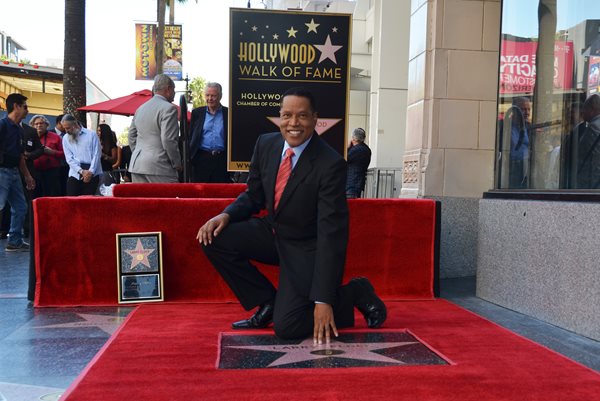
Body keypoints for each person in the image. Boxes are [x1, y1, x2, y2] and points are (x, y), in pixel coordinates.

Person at [197, 87, 386, 344]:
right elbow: (254, 195)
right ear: (280, 117)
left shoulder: (330, 163)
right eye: (287, 115)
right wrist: (226, 215)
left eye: (302, 116)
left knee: (289, 327)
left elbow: (332, 235)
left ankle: (353, 292)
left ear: (315, 119)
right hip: (272, 233)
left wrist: (324, 300)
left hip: (304, 247)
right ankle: (267, 302)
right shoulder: (266, 144)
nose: (293, 123)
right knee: (213, 237)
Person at [128, 74, 182, 183]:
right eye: (174, 90)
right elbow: (168, 140)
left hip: (137, 165)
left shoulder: (140, 109)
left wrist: (138, 152)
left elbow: (131, 136)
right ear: (168, 89)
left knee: (141, 200)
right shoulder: (169, 108)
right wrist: (177, 163)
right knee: (166, 199)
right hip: (160, 166)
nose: (174, 93)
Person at [0, 93, 36, 251]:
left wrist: (27, 176)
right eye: (25, 107)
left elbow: (21, 155)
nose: (27, 111)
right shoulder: (2, 125)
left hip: (14, 172)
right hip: (1, 171)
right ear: (16, 106)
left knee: (21, 206)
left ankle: (14, 241)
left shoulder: (20, 130)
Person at [189, 82, 231, 183]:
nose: (210, 99)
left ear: (220, 96)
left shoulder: (229, 113)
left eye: (213, 95)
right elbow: (191, 136)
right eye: (207, 95)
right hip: (201, 160)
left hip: (221, 161)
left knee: (220, 194)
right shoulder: (197, 113)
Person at [61, 114, 102, 196]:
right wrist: (81, 171)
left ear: (75, 124)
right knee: (71, 199)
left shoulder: (91, 134)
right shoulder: (65, 138)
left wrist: (90, 172)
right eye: (64, 128)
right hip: (75, 172)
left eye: (68, 128)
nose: (66, 131)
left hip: (92, 171)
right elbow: (69, 158)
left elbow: (97, 154)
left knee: (88, 201)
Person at [499, 97, 532, 188]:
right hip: (510, 167)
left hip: (525, 167)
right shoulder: (504, 125)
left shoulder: (529, 127)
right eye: (523, 109)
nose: (527, 113)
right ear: (515, 109)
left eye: (528, 109)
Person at [31, 115, 64, 197]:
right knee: (35, 196)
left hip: (52, 173)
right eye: (36, 124)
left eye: (41, 123)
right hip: (34, 172)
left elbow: (65, 154)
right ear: (32, 125)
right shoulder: (29, 136)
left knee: (52, 196)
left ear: (47, 125)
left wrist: (52, 152)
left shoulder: (56, 137)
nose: (39, 125)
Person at [575, 93, 600, 188]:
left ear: (592, 109)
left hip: (591, 182)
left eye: (584, 110)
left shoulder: (594, 127)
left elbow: (591, 158)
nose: (582, 113)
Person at [345, 127, 371, 198]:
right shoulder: (366, 149)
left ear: (354, 138)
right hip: (357, 183)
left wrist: (347, 147)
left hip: (352, 183)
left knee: (350, 206)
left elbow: (344, 159)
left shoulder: (356, 150)